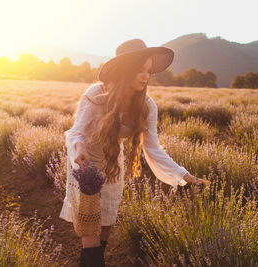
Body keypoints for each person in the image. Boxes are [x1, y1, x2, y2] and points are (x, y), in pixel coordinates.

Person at [58, 38, 210, 267]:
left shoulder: (147, 105)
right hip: (85, 165)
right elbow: (75, 132)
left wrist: (183, 175)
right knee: (90, 231)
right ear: (125, 70)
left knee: (103, 233)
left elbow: (153, 149)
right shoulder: (96, 94)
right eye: (139, 70)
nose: (145, 76)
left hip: (112, 165)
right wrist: (78, 148)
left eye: (148, 71)